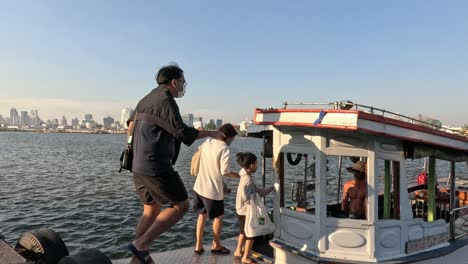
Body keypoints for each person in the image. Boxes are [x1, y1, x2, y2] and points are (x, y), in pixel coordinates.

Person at [126, 64, 225, 264]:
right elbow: (183, 133)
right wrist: (212, 133)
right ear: (174, 82)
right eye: (182, 82)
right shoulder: (166, 100)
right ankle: (141, 245)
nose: (183, 86)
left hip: (138, 164)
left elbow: (130, 126)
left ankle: (136, 259)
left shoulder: (145, 99)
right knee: (182, 205)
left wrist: (132, 148)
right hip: (156, 166)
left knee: (151, 209)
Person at [192, 123, 240, 255]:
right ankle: (216, 245)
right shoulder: (224, 147)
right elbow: (224, 171)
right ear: (228, 137)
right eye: (232, 139)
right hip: (212, 190)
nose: (232, 142)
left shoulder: (208, 141)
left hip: (199, 186)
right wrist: (238, 175)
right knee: (219, 217)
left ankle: (198, 246)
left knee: (202, 215)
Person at [234, 152, 274, 264]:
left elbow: (256, 191)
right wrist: (254, 200)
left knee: (243, 231)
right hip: (247, 211)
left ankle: (238, 251)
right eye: (256, 164)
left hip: (240, 209)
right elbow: (247, 196)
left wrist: (270, 189)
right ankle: (245, 257)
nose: (257, 166)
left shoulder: (244, 176)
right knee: (251, 234)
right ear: (251, 165)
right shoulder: (247, 180)